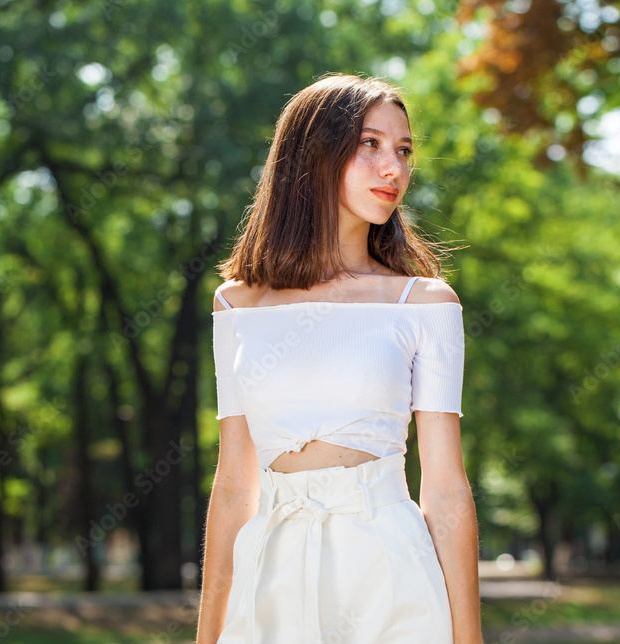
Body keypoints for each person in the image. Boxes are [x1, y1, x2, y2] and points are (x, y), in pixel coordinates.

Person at [195, 73, 483, 644]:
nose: (393, 168)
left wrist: (468, 638)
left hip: (390, 580)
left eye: (403, 151)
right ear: (312, 153)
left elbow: (445, 487)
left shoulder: (422, 303)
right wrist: (207, 636)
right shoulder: (235, 305)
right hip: (269, 582)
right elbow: (233, 485)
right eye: (370, 144)